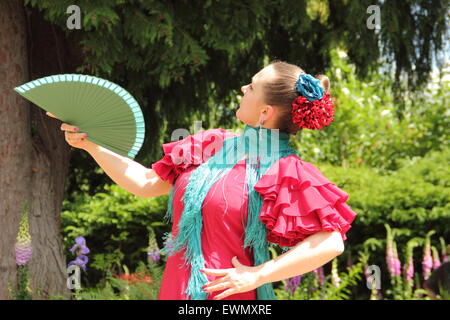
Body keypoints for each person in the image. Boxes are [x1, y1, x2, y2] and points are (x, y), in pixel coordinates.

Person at [47, 60, 358, 300]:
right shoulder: (210, 143)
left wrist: (259, 275)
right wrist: (89, 144)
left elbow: (330, 242)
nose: (242, 90)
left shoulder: (286, 169)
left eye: (251, 87)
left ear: (265, 111)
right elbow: (144, 182)